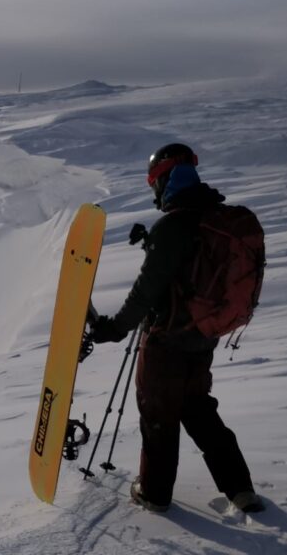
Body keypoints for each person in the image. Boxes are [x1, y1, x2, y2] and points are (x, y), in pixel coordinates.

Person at [89, 143, 264, 514]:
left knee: (158, 416)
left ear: (165, 180)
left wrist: (114, 329)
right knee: (199, 410)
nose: (154, 191)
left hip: (166, 344)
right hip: (203, 338)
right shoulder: (213, 218)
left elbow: (144, 293)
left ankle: (153, 493)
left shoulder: (174, 225)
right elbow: (191, 273)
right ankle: (241, 489)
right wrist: (154, 245)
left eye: (155, 183)